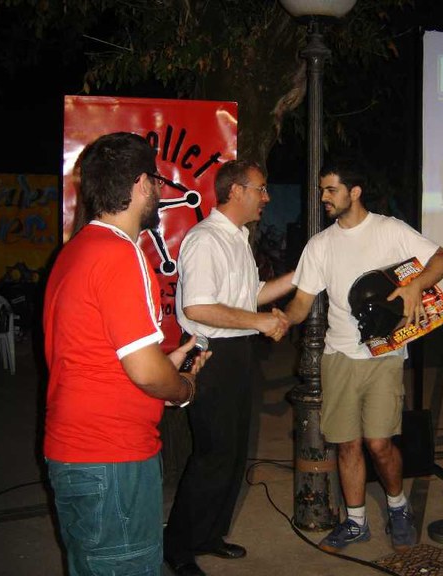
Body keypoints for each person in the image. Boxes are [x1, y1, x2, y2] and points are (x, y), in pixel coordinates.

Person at [43, 131, 210, 576]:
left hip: (77, 452)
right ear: (140, 184)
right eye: (156, 180)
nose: (158, 190)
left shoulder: (75, 251)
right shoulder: (121, 254)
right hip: (111, 458)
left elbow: (101, 356)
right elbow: (146, 374)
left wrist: (165, 364)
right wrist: (182, 388)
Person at [284, 159, 443, 553]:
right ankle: (356, 522)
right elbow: (301, 304)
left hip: (384, 355)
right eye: (322, 190)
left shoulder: (389, 229)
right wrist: (272, 321)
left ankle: (398, 507)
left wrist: (416, 287)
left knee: (379, 443)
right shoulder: (320, 244)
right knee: (347, 444)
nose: (323, 197)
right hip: (338, 356)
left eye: (331, 190)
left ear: (354, 192)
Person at [163, 160, 293, 576]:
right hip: (211, 354)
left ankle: (209, 535)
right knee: (212, 454)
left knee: (234, 452)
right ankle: (179, 547)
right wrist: (261, 322)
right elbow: (197, 307)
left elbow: (250, 295)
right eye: (261, 189)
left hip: (238, 352)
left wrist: (302, 275)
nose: (266, 197)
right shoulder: (205, 239)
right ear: (236, 191)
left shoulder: (238, 237)